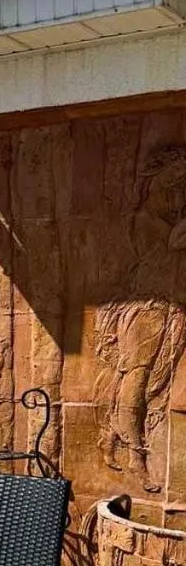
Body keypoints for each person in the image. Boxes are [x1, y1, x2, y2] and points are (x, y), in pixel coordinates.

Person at [95, 145, 186, 492]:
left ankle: (109, 437)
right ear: (155, 182)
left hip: (170, 308)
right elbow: (164, 252)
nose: (177, 192)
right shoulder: (143, 220)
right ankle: (136, 456)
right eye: (172, 183)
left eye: (182, 185)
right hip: (145, 310)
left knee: (152, 383)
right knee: (138, 376)